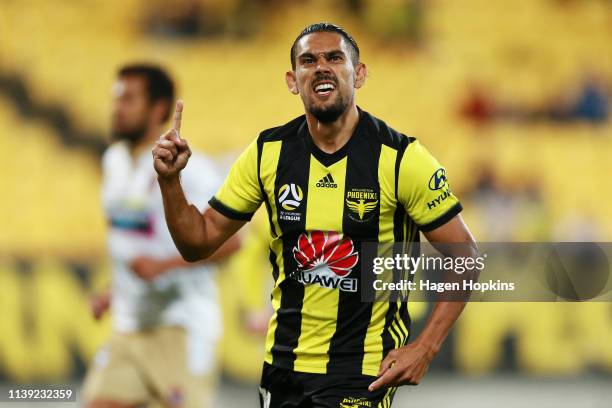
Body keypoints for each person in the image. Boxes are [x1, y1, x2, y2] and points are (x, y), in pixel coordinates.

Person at [152, 23, 477, 408]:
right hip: (282, 368)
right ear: (293, 81)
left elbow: (466, 257)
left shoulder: (401, 159)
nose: (321, 67)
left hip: (361, 374)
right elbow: (198, 241)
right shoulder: (267, 153)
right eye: (309, 61)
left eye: (335, 58)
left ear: (359, 74)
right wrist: (171, 182)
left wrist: (425, 347)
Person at [83, 64, 239, 408]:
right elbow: (131, 239)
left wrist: (164, 267)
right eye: (116, 99)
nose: (117, 107)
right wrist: (114, 290)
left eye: (128, 99)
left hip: (181, 327)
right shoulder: (114, 163)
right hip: (129, 327)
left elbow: (232, 241)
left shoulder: (193, 170)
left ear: (157, 109)